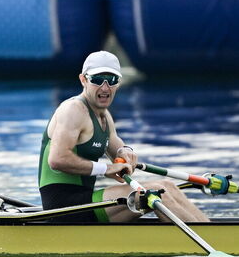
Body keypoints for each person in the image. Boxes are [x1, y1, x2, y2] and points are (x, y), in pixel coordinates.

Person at [38, 50, 210, 223]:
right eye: (97, 80)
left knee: (168, 187)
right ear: (83, 80)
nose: (105, 88)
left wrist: (125, 152)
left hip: (85, 200)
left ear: (118, 83)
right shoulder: (73, 110)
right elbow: (57, 159)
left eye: (111, 80)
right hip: (61, 208)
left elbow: (117, 148)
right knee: (156, 192)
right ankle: (210, 241)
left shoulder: (104, 115)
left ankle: (210, 231)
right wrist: (106, 169)